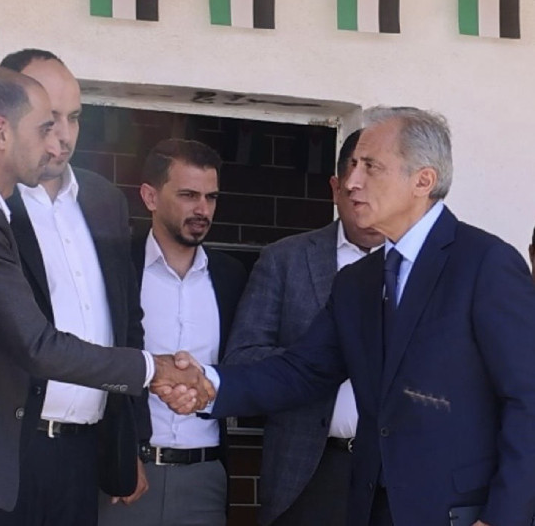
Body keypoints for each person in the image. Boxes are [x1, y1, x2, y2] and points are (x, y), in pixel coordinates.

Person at [197, 107, 535, 526]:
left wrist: (503, 518)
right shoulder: (358, 281)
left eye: (370, 166)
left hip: (456, 514)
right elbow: (303, 370)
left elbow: (528, 398)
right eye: (353, 165)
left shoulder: (485, 264)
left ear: (423, 181)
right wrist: (209, 385)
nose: (351, 181)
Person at [0, 70, 206, 516]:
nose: (61, 138)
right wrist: (153, 370)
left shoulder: (103, 200)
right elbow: (34, 343)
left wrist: (130, 440)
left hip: (84, 449)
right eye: (48, 123)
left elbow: (125, 322)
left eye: (75, 118)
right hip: (8, 446)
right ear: (2, 127)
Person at [222, 130, 384, 526]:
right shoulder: (285, 260)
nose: (368, 200)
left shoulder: (418, 267)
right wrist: (319, 361)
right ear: (336, 189)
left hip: (394, 473)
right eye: (356, 189)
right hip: (310, 471)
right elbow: (241, 360)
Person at [100, 139, 247, 526]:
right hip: (127, 475)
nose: (203, 209)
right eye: (188, 195)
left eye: (211, 197)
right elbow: (96, 359)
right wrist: (118, 455)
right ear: (150, 196)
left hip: (205, 476)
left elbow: (244, 366)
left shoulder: (231, 277)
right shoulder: (116, 266)